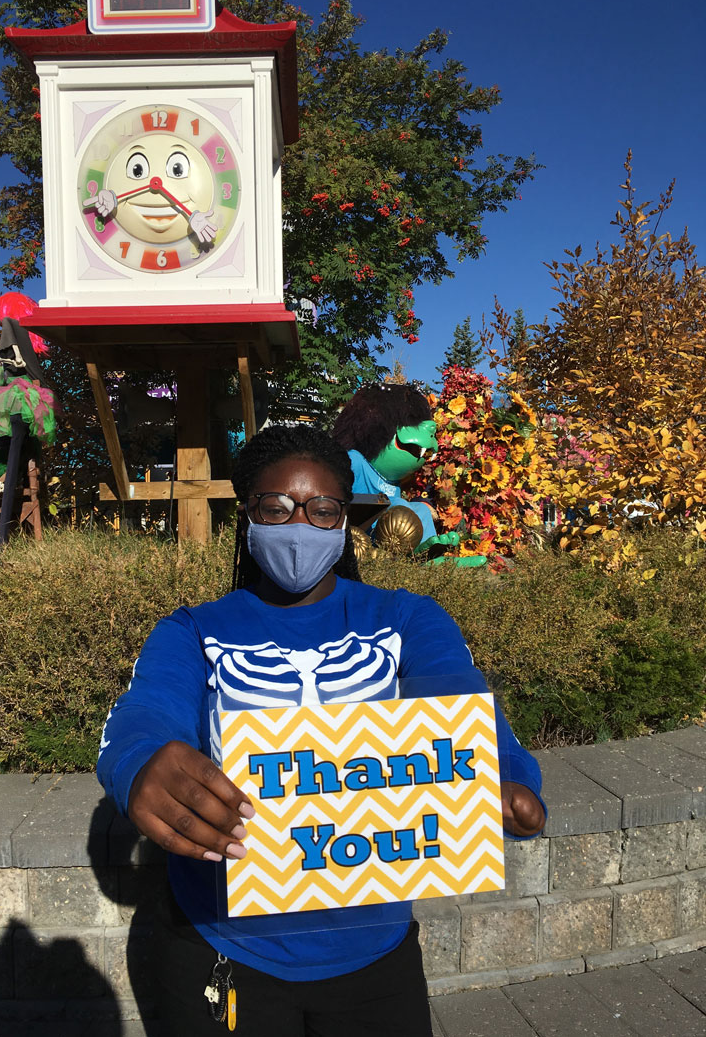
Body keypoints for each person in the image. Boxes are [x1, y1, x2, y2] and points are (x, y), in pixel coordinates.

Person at [97, 425, 546, 1036]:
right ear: (247, 517)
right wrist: (139, 765)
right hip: (225, 944)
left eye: (321, 509)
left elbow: (458, 698)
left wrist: (504, 777)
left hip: (375, 949)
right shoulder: (191, 631)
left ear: (343, 522)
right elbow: (146, 713)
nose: (298, 526)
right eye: (275, 508)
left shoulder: (405, 619)